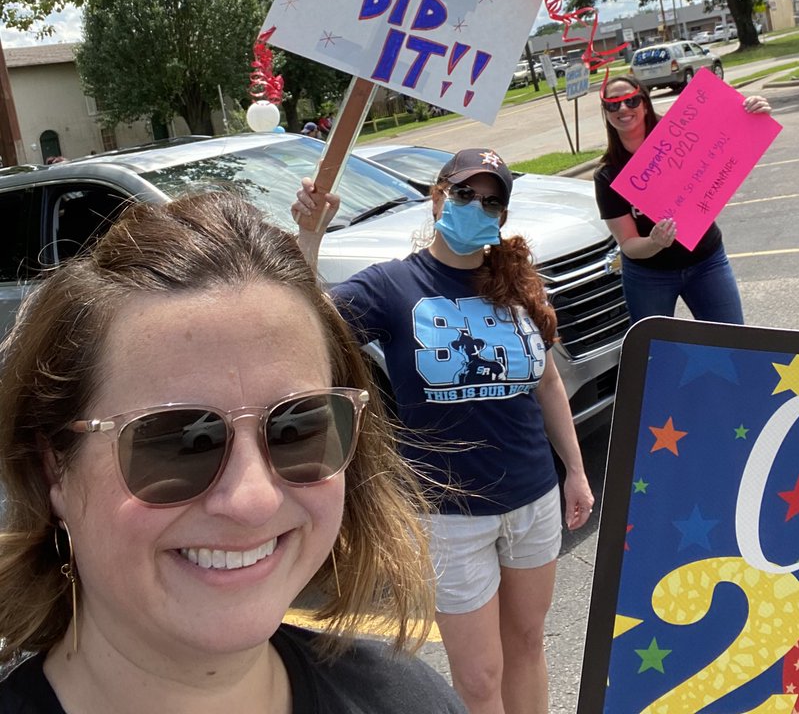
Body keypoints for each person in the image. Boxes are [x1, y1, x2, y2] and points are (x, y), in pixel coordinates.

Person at [0, 191, 465, 714]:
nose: (253, 501)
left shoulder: (409, 700)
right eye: (178, 442)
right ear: (53, 468)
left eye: (298, 428)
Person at [292, 149, 594, 714]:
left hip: (533, 499)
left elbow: (548, 383)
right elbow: (304, 325)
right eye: (464, 195)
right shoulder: (392, 285)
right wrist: (309, 236)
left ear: (502, 217)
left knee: (527, 645)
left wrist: (574, 472)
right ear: (436, 196)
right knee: (479, 679)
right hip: (450, 516)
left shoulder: (518, 284)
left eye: (491, 201)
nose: (476, 208)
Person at [594, 73, 771, 325]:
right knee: (656, 352)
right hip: (649, 274)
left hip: (705, 261)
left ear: (644, 103)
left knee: (732, 342)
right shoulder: (608, 175)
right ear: (607, 113)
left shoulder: (682, 136)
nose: (622, 108)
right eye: (613, 104)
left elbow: (726, 130)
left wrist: (750, 110)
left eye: (630, 101)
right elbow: (629, 244)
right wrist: (655, 243)